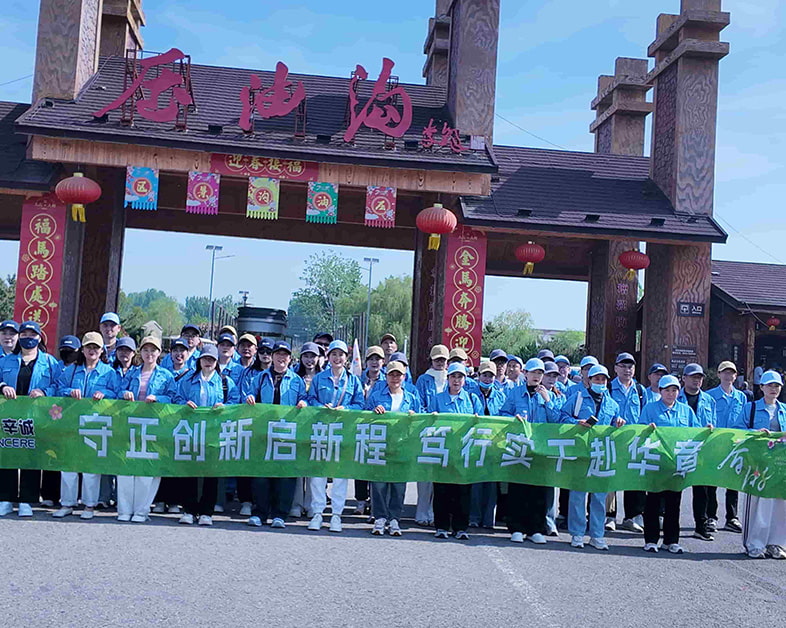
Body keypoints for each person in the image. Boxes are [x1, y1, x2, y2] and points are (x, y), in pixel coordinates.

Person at [638, 374, 706, 554]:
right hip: (656, 463)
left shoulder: (686, 411)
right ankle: (651, 540)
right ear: (660, 391)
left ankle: (671, 541)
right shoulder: (650, 409)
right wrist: (647, 430)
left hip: (677, 464)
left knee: (673, 503)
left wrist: (707, 431)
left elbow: (696, 432)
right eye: (667, 390)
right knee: (653, 502)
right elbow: (639, 433)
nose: (671, 393)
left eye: (674, 390)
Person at [243, 341, 307, 529]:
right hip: (264, 432)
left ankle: (280, 514)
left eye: (285, 355)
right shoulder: (261, 378)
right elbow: (247, 394)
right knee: (261, 475)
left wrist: (303, 402)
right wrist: (249, 398)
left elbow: (305, 398)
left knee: (285, 476)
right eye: (278, 354)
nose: (281, 358)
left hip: (287, 433)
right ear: (272, 356)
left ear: (290, 358)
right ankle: (260, 512)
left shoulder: (296, 380)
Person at [53, 332, 117, 520]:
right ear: (82, 349)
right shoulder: (71, 370)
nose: (92, 351)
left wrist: (104, 393)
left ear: (101, 350)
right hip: (72, 423)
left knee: (91, 468)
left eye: (96, 347)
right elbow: (58, 388)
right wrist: (68, 391)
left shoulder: (109, 372)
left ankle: (89, 505)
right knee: (68, 465)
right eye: (89, 347)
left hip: (96, 424)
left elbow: (117, 393)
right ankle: (67, 503)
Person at [561, 364, 625, 550]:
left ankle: (597, 535)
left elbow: (616, 423)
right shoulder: (578, 398)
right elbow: (562, 416)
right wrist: (575, 422)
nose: (600, 382)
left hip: (601, 454)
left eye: (603, 379)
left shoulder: (612, 404)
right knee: (578, 495)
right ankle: (577, 534)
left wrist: (619, 422)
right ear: (589, 380)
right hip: (580, 453)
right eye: (596, 379)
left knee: (599, 496)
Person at [174, 344, 239, 526]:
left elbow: (235, 401)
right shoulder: (187, 380)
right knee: (190, 472)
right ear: (199, 361)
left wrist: (224, 407)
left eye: (211, 359)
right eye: (205, 359)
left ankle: (206, 512)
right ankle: (188, 510)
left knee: (211, 474)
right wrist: (184, 404)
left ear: (217, 362)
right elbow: (177, 398)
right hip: (191, 431)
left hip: (215, 433)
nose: (208, 362)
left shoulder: (225, 382)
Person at [0, 321, 60, 517]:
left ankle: (27, 499)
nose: (28, 338)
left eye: (32, 335)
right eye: (24, 334)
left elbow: (58, 386)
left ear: (39, 338)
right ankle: (6, 499)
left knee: (30, 457)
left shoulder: (49, 362)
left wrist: (44, 391)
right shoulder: (7, 360)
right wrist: (2, 386)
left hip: (36, 417)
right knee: (8, 455)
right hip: (9, 417)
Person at [306, 339, 364, 533]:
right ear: (328, 357)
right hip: (321, 431)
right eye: (333, 354)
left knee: (340, 475)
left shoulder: (353, 380)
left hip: (343, 432)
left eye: (341, 355)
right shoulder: (319, 379)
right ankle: (317, 513)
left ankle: (336, 515)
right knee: (318, 474)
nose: (337, 358)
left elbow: (360, 404)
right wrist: (321, 408)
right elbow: (310, 399)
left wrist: (345, 409)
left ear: (346, 358)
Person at [116, 336, 177, 522]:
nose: (149, 354)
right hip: (131, 426)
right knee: (126, 467)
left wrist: (158, 399)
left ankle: (142, 511)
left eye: (153, 350)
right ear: (140, 353)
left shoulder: (166, 375)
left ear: (159, 353)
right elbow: (117, 392)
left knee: (148, 470)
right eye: (145, 350)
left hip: (154, 427)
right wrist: (124, 394)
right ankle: (124, 510)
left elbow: (173, 397)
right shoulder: (132, 373)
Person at [499, 358, 559, 544]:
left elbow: (556, 420)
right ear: (525, 373)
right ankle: (516, 528)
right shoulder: (515, 393)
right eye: (533, 373)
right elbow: (502, 414)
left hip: (541, 448)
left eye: (540, 373)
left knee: (538, 489)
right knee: (518, 488)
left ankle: (536, 529)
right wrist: (513, 418)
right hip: (520, 447)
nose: (537, 376)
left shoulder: (549, 395)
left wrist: (548, 401)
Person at [731, 370, 786, 559]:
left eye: (777, 385)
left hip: (780, 465)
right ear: (761, 387)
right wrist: (755, 433)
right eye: (769, 385)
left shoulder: (784, 410)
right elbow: (738, 432)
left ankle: (776, 543)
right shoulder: (750, 408)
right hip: (757, 464)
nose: (773, 389)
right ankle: (754, 543)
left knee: (779, 504)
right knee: (757, 504)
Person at [366, 361, 422, 536]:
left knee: (399, 485)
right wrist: (373, 412)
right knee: (379, 484)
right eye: (391, 374)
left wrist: (414, 417)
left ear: (404, 377)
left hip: (402, 446)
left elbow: (421, 421)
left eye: (398, 375)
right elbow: (362, 417)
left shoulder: (411, 398)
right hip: (380, 445)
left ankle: (395, 518)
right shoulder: (376, 396)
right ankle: (380, 517)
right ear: (386, 376)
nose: (395, 378)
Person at [428, 363, 483, 540]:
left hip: (464, 453)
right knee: (442, 490)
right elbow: (428, 421)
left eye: (460, 377)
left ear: (465, 380)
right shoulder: (437, 398)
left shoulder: (472, 399)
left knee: (463, 491)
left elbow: (482, 423)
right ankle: (441, 526)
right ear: (448, 379)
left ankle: (461, 527)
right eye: (453, 377)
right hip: (443, 452)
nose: (456, 380)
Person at [677, 363, 718, 541]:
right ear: (684, 378)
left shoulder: (709, 400)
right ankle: (667, 523)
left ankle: (701, 526)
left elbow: (714, 424)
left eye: (700, 377)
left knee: (701, 490)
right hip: (678, 449)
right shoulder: (674, 396)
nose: (697, 380)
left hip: (701, 450)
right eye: (693, 376)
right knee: (673, 487)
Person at [706, 361, 746, 534]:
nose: (728, 376)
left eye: (731, 373)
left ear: (735, 376)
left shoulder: (742, 397)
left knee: (733, 482)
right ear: (719, 374)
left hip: (735, 445)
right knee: (712, 482)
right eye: (725, 373)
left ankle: (732, 517)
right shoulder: (709, 396)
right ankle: (711, 517)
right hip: (715, 444)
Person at [609, 352, 647, 534]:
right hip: (613, 441)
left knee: (634, 478)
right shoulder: (608, 388)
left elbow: (646, 415)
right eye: (623, 366)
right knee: (612, 478)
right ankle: (610, 516)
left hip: (634, 442)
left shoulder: (640, 391)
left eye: (630, 366)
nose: (627, 369)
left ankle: (631, 517)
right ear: (615, 368)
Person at [414, 344, 450, 526]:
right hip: (428, 432)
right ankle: (422, 512)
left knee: (441, 475)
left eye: (443, 360)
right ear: (431, 360)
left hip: (447, 434)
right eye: (437, 360)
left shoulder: (452, 378)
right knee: (426, 475)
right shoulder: (423, 380)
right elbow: (419, 403)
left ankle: (435, 513)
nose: (440, 363)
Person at [469, 361, 506, 529]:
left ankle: (488, 519)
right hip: (474, 444)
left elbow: (505, 416)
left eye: (490, 375)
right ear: (478, 376)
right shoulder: (469, 394)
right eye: (484, 375)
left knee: (491, 484)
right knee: (475, 483)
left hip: (493, 445)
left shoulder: (500, 396)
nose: (487, 378)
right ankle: (474, 517)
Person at [290, 341, 321, 517]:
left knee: (313, 467)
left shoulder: (323, 377)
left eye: (313, 356)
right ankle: (296, 504)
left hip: (317, 427)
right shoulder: (293, 376)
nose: (309, 360)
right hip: (296, 426)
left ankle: (311, 504)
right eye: (306, 356)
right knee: (297, 466)